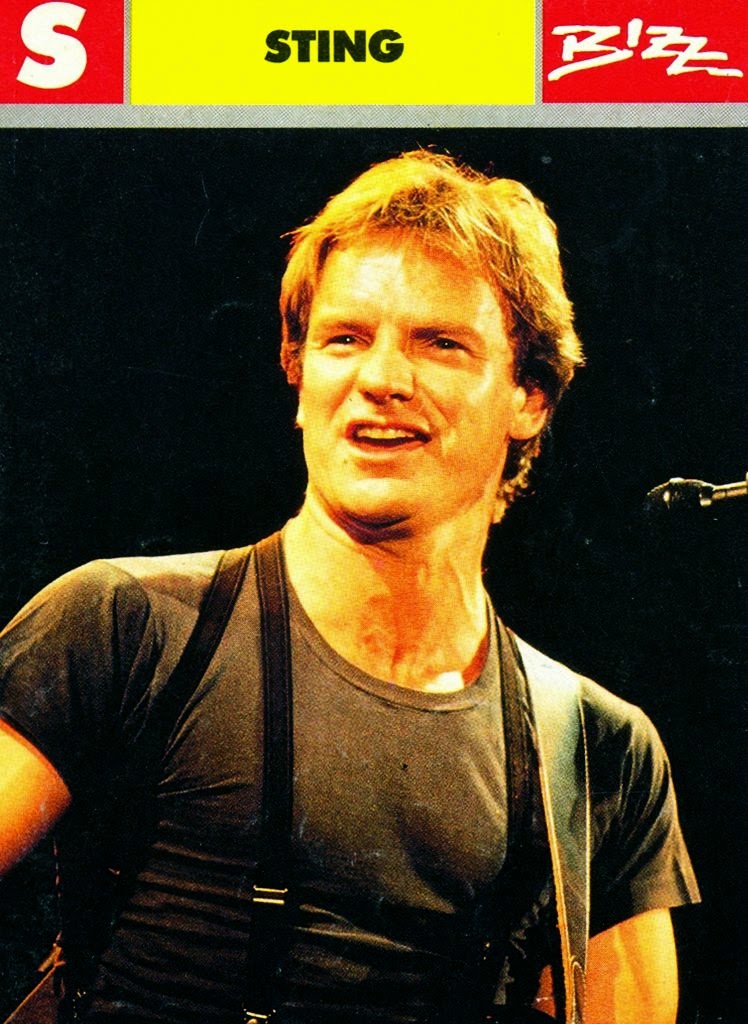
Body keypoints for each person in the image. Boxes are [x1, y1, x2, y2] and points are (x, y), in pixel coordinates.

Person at [0, 151, 699, 1023]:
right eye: (345, 338)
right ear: (298, 374)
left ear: (531, 397)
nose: (382, 380)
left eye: (440, 344)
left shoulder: (601, 749)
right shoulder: (124, 626)